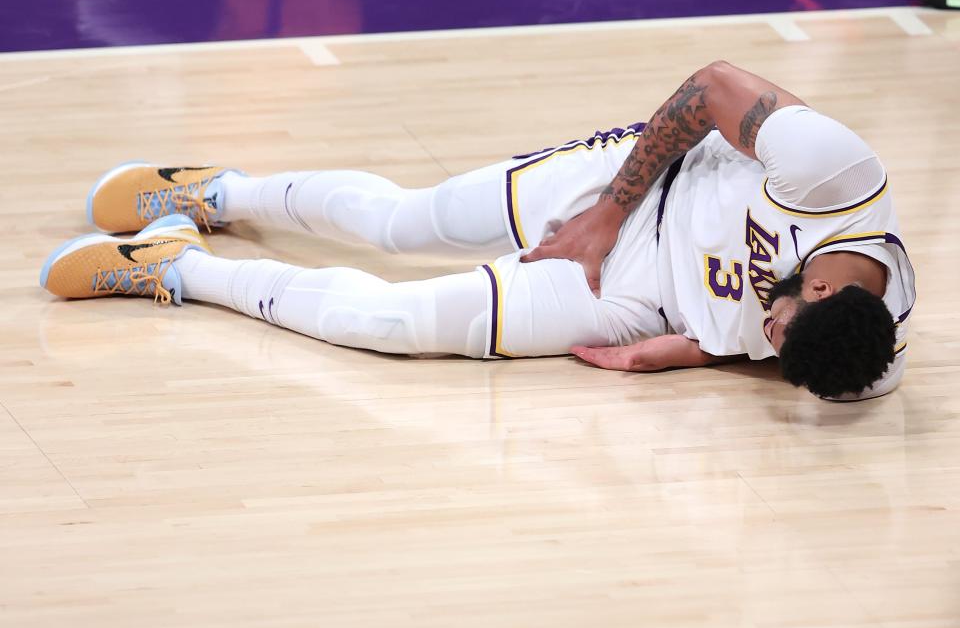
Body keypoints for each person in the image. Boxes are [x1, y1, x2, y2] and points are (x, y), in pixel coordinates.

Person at [40, 61, 915, 400]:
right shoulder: (835, 175)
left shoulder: (855, 357)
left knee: (392, 328)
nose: (770, 335)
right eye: (780, 318)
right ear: (826, 282)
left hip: (647, 306)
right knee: (403, 222)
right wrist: (608, 213)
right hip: (633, 196)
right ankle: (220, 194)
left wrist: (694, 352)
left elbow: (773, 352)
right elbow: (713, 87)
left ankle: (178, 270)